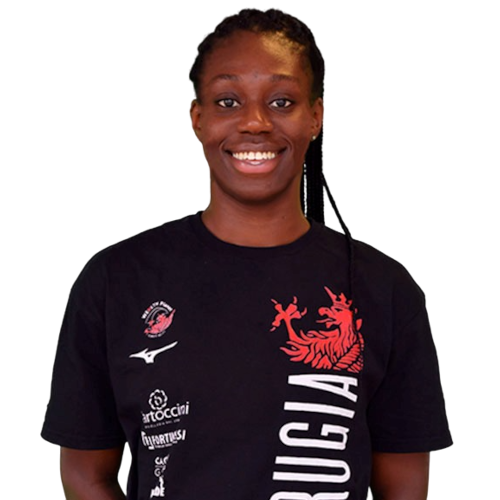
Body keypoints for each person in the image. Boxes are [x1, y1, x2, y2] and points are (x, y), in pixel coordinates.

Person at [43, 7, 451, 500]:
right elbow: (84, 473)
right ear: (198, 119)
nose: (255, 122)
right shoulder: (117, 280)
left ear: (316, 117)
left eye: (281, 101)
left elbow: (404, 483)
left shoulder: (383, 290)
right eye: (228, 101)